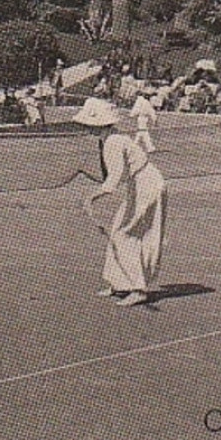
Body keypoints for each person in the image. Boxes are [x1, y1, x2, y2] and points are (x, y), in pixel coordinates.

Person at [77, 97, 167, 307]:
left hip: (148, 185)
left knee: (125, 235)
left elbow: (115, 176)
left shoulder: (113, 142)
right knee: (119, 230)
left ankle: (139, 289)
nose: (86, 128)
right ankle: (119, 283)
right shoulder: (109, 139)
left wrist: (92, 196)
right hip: (141, 183)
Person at [130, 86, 159, 154]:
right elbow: (151, 112)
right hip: (142, 118)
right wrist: (154, 120)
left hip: (142, 118)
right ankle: (149, 147)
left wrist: (132, 114)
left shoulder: (141, 101)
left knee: (142, 132)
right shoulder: (144, 102)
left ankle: (135, 145)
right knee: (143, 132)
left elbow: (136, 109)